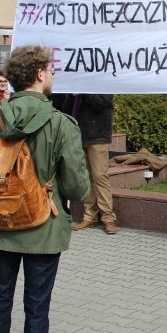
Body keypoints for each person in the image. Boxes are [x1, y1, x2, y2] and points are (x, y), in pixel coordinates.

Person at [0, 45, 90, 333]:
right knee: (36, 310)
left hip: (0, 225)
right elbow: (78, 187)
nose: (52, 76)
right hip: (45, 227)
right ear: (39, 74)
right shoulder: (61, 123)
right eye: (50, 71)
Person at [52, 94, 117, 234]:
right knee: (85, 177)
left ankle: (108, 218)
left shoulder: (102, 83)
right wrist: (70, 95)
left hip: (98, 136)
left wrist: (84, 91)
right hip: (80, 135)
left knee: (100, 177)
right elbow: (65, 109)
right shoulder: (77, 85)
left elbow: (101, 104)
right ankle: (89, 216)